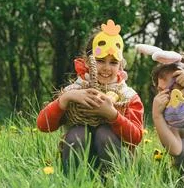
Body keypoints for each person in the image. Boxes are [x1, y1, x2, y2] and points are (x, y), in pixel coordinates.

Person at [37, 20, 144, 174]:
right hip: (81, 160)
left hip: (116, 161)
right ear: (87, 61)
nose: (107, 68)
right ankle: (74, 185)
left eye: (113, 62)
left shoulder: (128, 96)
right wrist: (65, 99)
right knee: (78, 133)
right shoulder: (76, 90)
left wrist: (113, 115)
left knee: (104, 133)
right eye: (100, 61)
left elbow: (136, 137)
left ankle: (113, 184)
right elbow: (43, 126)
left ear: (120, 66)